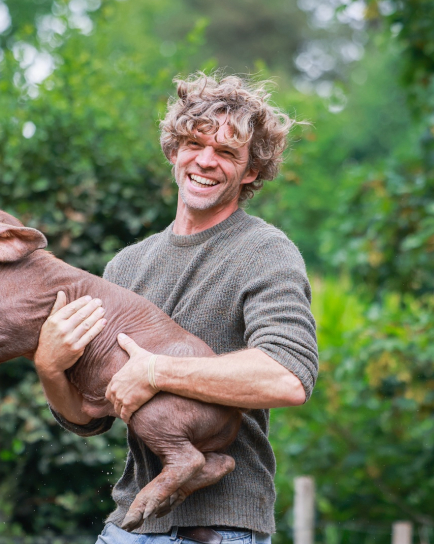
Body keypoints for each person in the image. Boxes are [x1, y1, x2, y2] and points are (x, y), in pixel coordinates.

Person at [33, 74, 318, 544]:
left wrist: (157, 372)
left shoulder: (264, 252)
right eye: (194, 143)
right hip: (128, 524)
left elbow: (287, 377)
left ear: (250, 171)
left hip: (220, 529)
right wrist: (49, 367)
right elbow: (90, 417)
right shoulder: (126, 266)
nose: (206, 161)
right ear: (174, 150)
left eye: (226, 153)